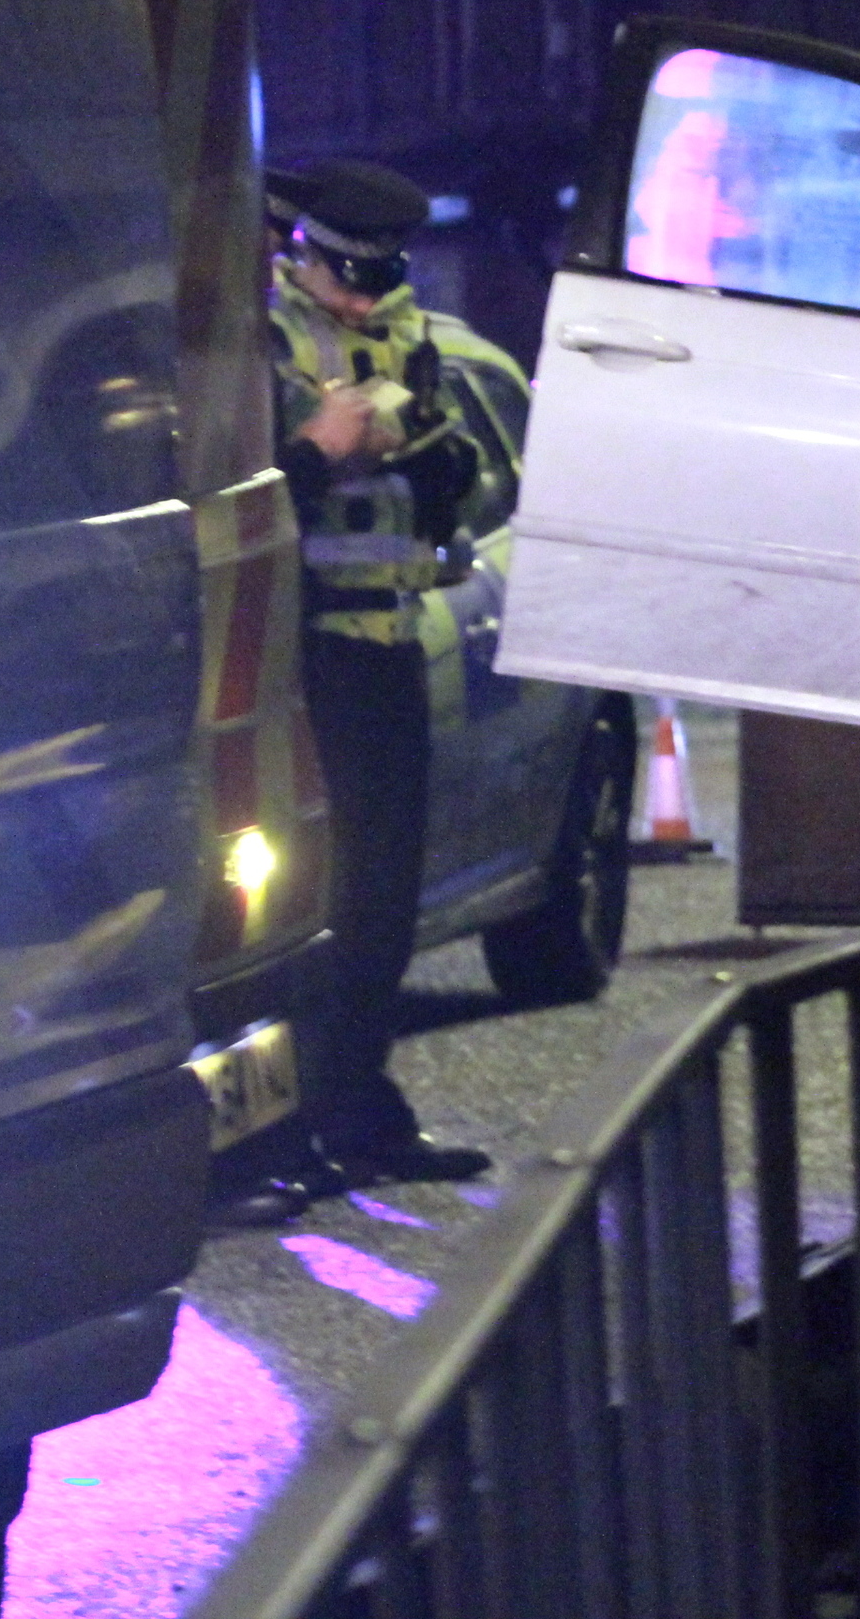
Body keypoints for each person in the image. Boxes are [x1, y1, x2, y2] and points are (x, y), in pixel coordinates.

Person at [246, 159, 498, 1201]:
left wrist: (449, 478)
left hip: (389, 643)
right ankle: (284, 1133)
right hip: (296, 658)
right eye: (346, 271)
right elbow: (230, 507)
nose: (363, 294)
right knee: (311, 908)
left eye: (379, 272)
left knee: (383, 906)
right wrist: (312, 451)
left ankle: (359, 1114)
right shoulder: (253, 344)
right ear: (298, 249)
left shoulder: (410, 336)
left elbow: (459, 498)